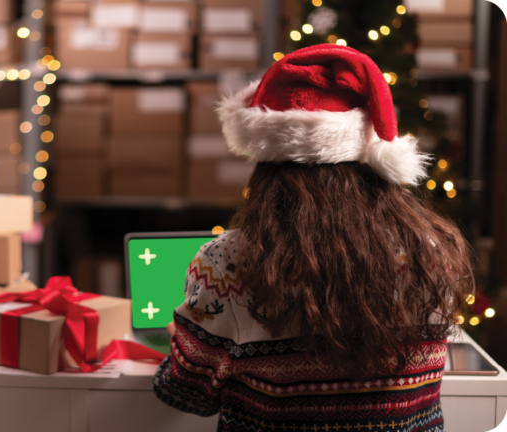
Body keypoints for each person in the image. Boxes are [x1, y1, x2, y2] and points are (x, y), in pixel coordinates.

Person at [153, 44, 474, 432]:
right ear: (372, 159)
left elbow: (188, 393)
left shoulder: (228, 262)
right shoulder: (432, 251)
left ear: (266, 170)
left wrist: (184, 337)